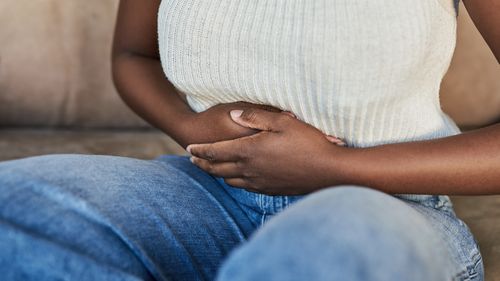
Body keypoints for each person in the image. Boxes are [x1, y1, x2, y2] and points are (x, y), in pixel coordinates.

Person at [0, 0, 498, 280]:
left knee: (316, 255)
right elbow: (133, 57)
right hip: (208, 197)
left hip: (386, 209)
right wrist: (188, 125)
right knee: (14, 205)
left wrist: (333, 167)